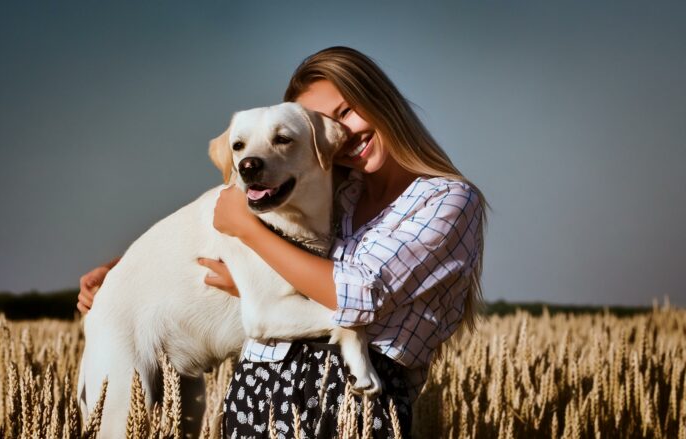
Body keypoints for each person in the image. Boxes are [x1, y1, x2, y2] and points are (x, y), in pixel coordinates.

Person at [77, 46, 487, 438]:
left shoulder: (445, 199)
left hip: (352, 407)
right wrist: (120, 273)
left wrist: (250, 237)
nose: (342, 133)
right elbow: (209, 237)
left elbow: (361, 293)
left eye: (346, 112)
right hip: (258, 393)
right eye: (327, 124)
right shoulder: (329, 192)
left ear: (381, 100)